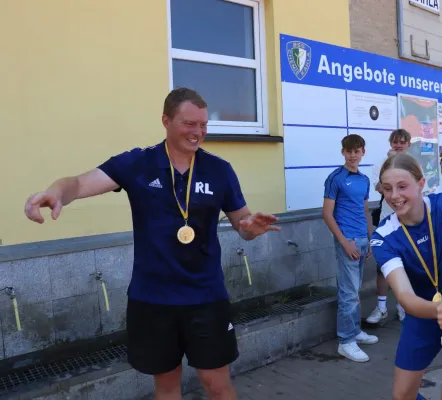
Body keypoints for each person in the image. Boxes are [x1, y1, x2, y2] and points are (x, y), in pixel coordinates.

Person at [23, 88, 280, 400]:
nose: (198, 132)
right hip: (153, 299)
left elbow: (243, 224)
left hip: (206, 297)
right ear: (166, 121)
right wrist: (55, 193)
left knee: (217, 385)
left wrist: (250, 227)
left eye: (203, 124)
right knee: (167, 387)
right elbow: (78, 183)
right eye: (189, 123)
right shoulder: (138, 164)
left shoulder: (219, 170)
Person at [370, 152, 442, 400]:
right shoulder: (382, 236)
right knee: (402, 396)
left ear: (421, 183)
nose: (394, 196)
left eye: (403, 186)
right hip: (423, 315)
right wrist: (438, 312)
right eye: (387, 189)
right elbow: (404, 295)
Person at [323, 133, 379, 363]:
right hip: (347, 241)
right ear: (343, 152)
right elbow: (327, 214)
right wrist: (345, 243)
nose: (353, 155)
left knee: (354, 291)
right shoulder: (335, 178)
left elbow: (364, 211)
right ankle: (345, 342)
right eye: (349, 151)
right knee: (348, 293)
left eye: (357, 151)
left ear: (363, 152)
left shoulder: (364, 180)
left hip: (362, 240)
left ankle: (355, 331)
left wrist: (369, 240)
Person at [368, 128, 412, 324]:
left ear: (408, 145)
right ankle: (381, 307)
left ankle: (404, 306)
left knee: (408, 267)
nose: (398, 145)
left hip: (410, 221)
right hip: (387, 221)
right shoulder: (380, 165)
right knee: (382, 267)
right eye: (395, 141)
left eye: (402, 142)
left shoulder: (414, 165)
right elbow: (380, 187)